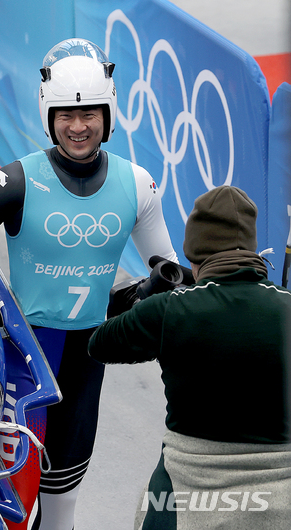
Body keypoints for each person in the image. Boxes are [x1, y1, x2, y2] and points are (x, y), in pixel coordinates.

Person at [0, 38, 178, 530]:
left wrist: (142, 295)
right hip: (24, 357)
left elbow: (170, 271)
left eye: (89, 113)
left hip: (88, 358)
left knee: (64, 499)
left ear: (108, 114)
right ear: (49, 116)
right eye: (66, 114)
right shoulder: (18, 180)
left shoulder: (138, 185)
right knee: (13, 508)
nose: (78, 126)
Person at [88, 185, 291, 529]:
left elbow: (99, 344)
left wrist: (142, 301)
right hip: (280, 489)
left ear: (195, 255)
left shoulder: (169, 310)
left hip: (188, 487)